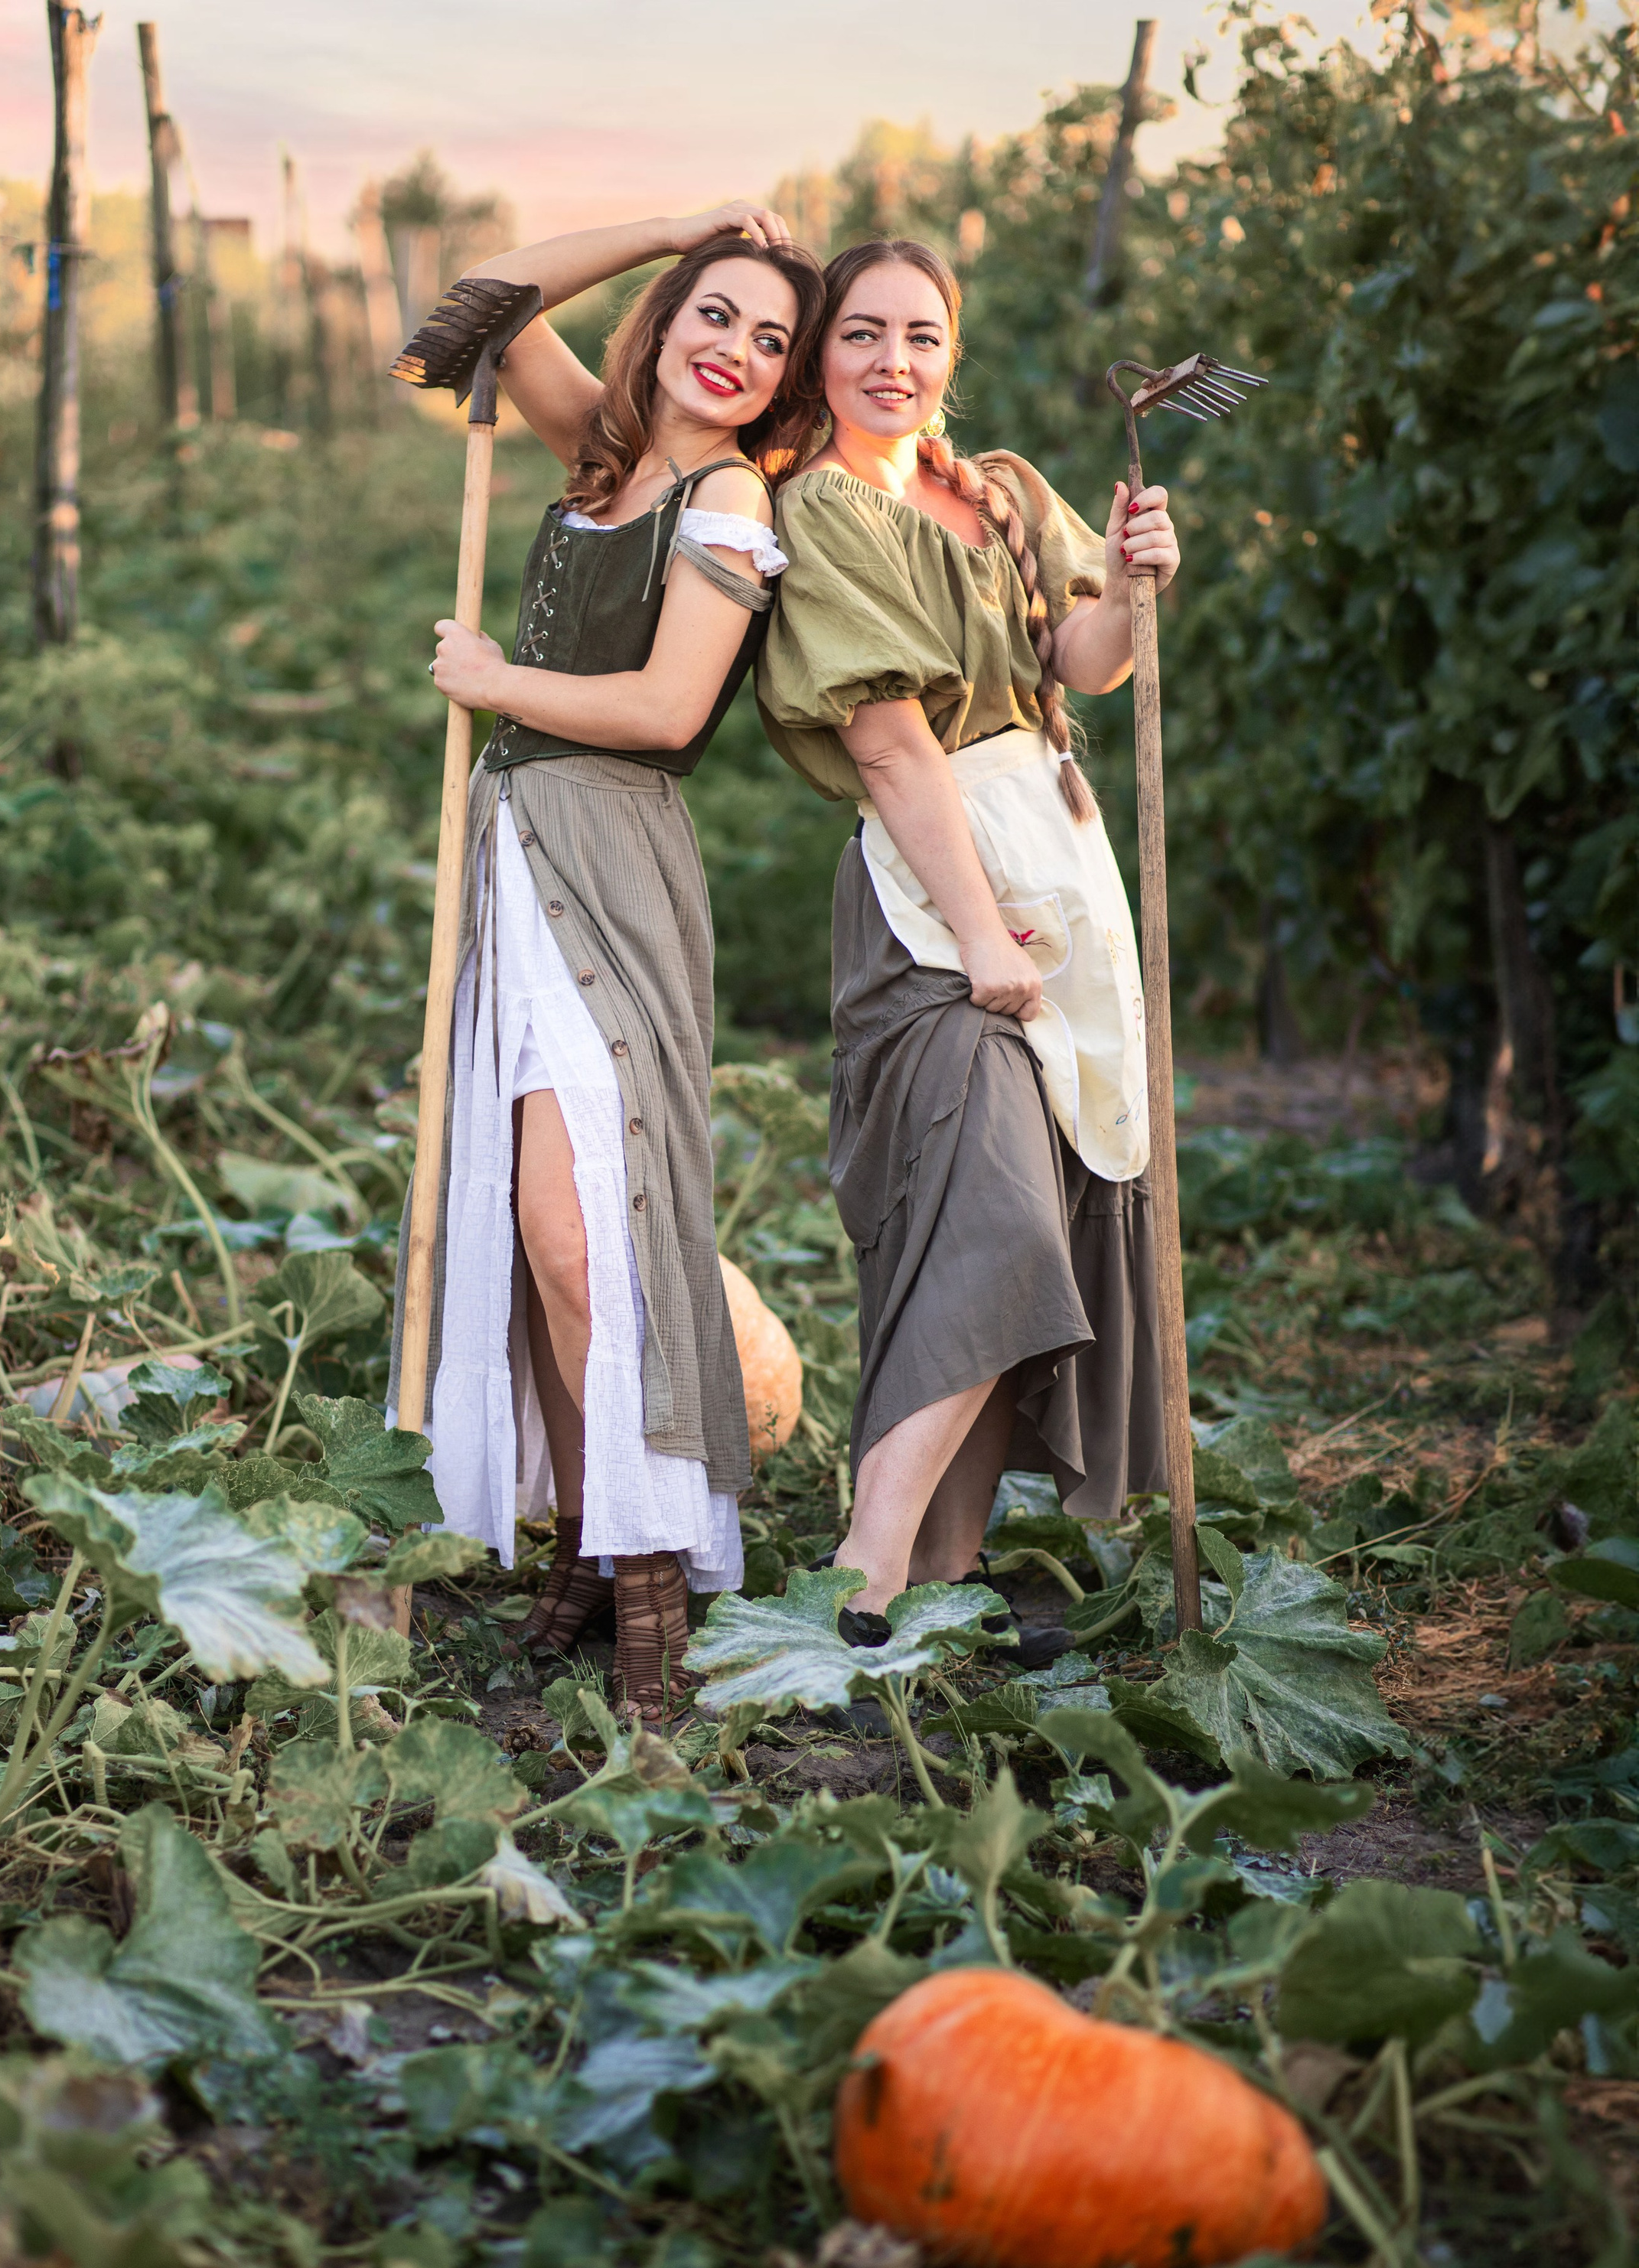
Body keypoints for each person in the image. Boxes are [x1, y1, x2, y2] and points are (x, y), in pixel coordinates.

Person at [391, 204, 824, 1717]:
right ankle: (585, 1537)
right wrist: (683, 221)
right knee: (531, 1230)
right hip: (515, 849)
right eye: (715, 312)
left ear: (784, 382)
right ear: (667, 316)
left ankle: (651, 1563)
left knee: (587, 1230)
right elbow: (484, 298)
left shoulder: (726, 497)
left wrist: (496, 678)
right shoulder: (603, 452)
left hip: (612, 859)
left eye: (770, 340)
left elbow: (665, 709)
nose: (735, 351)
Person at [754, 237, 1181, 1646]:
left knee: (1032, 1195)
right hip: (934, 891)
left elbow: (1080, 667)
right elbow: (889, 745)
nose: (895, 362)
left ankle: (946, 1566)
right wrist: (982, 934)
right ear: (822, 356)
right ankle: (865, 1574)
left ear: (954, 352)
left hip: (1054, 863)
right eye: (862, 334)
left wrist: (1132, 584)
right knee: (988, 1206)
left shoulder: (996, 488)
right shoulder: (822, 509)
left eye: (922, 336)